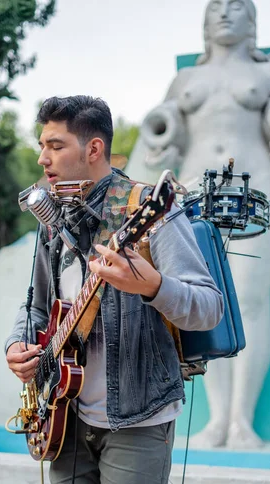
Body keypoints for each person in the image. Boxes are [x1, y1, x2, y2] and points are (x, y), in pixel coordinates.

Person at [5, 95, 223, 484]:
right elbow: (36, 308)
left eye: (55, 145)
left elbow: (207, 307)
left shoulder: (150, 211)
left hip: (139, 418)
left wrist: (150, 287)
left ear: (94, 147)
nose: (43, 158)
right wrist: (19, 344)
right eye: (42, 146)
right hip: (63, 415)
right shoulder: (52, 224)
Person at [127, 0, 270, 449]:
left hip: (254, 193)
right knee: (203, 295)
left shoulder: (264, 75)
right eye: (216, 8)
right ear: (204, 22)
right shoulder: (185, 80)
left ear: (253, 20)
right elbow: (160, 138)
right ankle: (216, 421)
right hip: (194, 194)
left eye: (237, 7)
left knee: (248, 299)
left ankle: (240, 422)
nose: (225, 14)